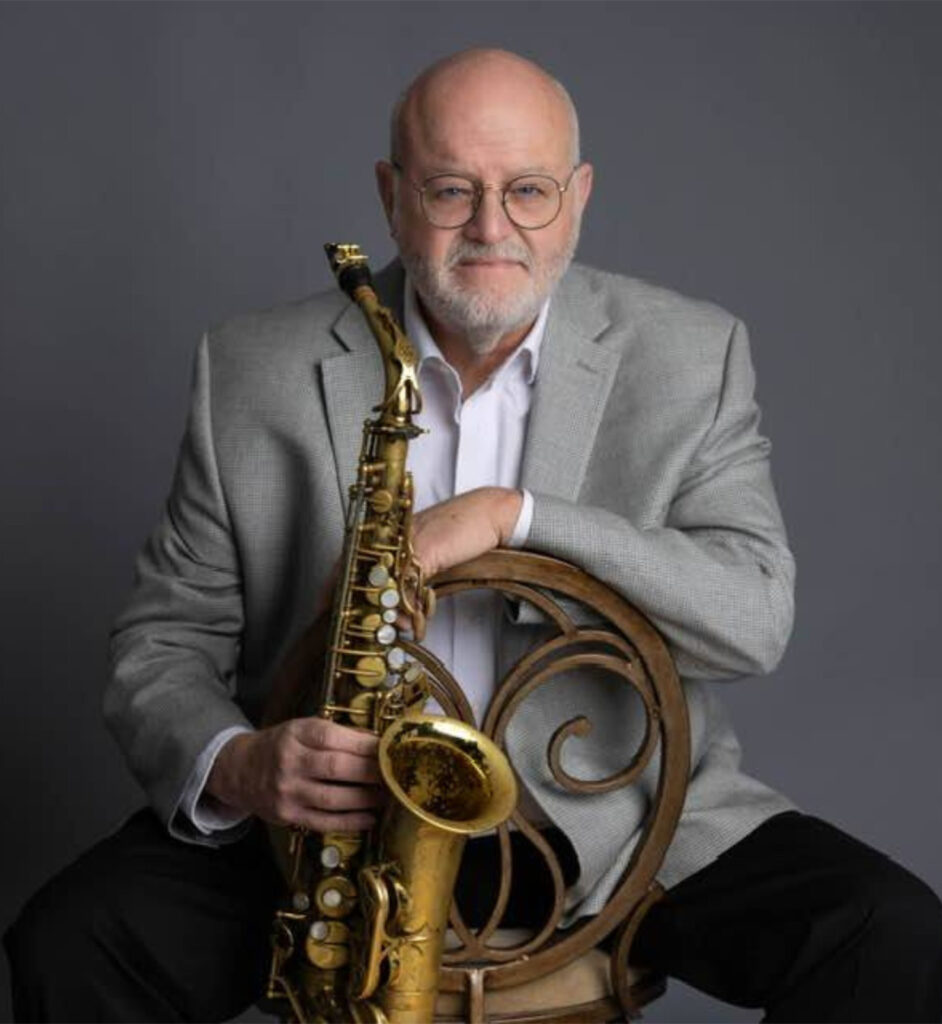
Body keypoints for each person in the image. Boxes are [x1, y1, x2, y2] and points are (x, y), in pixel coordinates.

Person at [6, 47, 942, 1023]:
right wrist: (240, 760)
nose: (492, 227)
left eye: (528, 190)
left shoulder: (691, 355)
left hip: (612, 824)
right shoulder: (249, 368)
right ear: (392, 195)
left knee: (889, 934)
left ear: (578, 197)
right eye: (453, 189)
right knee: (70, 941)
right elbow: (161, 640)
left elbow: (753, 614)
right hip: (324, 823)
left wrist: (519, 517)